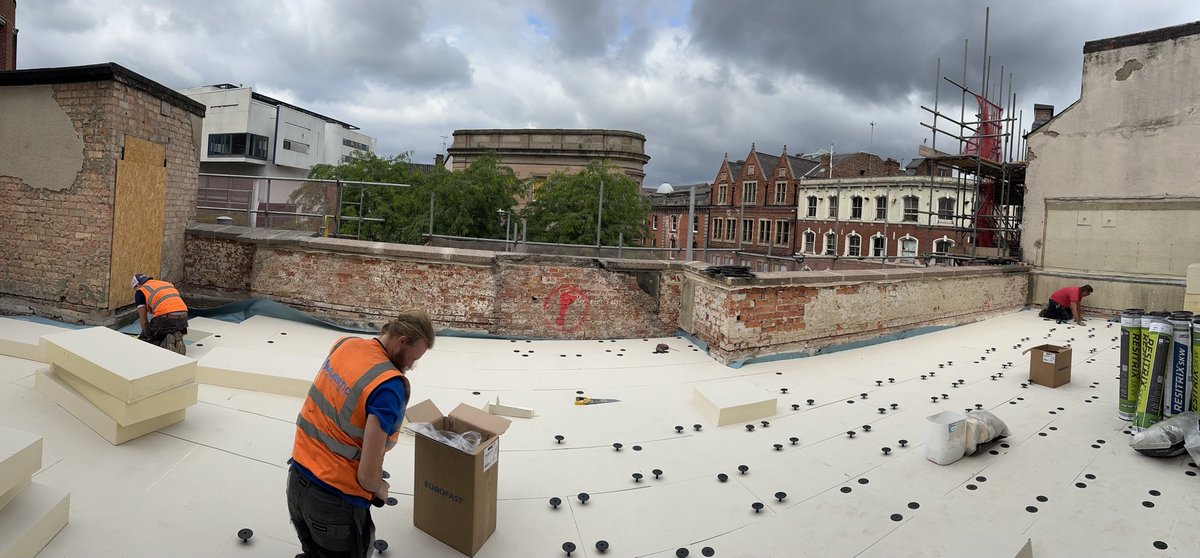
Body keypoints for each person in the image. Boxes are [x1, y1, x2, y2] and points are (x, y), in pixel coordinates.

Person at [287, 310, 435, 558]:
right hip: (334, 500)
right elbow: (367, 477)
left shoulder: (346, 344)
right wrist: (380, 487)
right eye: (413, 357)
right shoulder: (388, 386)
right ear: (401, 341)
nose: (411, 365)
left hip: (297, 481)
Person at [132, 273, 189, 354]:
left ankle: (163, 343)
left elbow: (144, 321)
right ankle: (176, 337)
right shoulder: (165, 284)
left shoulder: (140, 291)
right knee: (166, 329)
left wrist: (146, 334)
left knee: (144, 342)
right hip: (184, 318)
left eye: (135, 289)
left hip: (165, 317)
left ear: (137, 285)